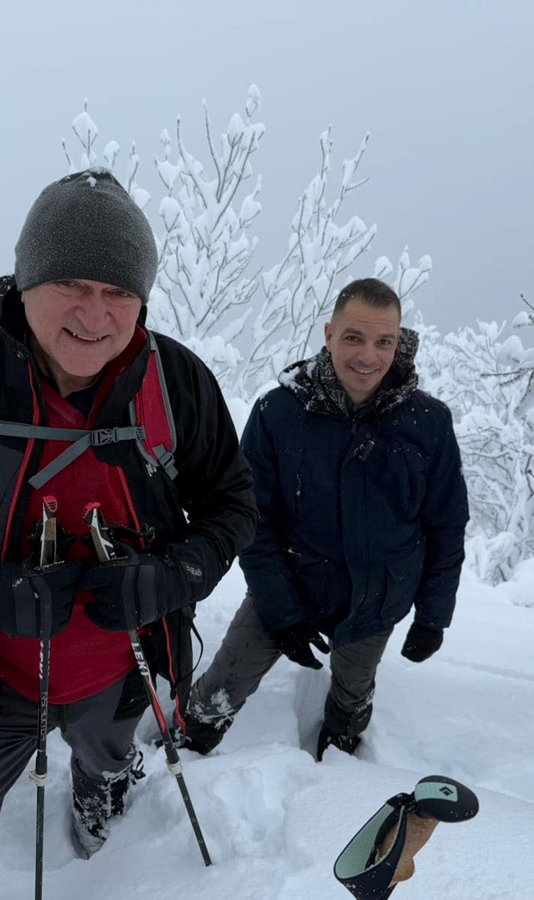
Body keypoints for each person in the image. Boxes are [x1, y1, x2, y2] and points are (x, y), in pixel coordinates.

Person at [0, 169, 256, 900]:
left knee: (104, 754)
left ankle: (99, 781)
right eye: (72, 283)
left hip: (122, 663)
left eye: (118, 293)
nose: (95, 314)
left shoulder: (176, 383)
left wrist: (173, 577)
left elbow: (233, 504)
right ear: (26, 278)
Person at [178, 277, 468, 761]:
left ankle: (340, 751)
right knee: (220, 689)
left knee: (352, 694)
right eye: (354, 338)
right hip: (288, 584)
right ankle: (189, 746)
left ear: (400, 343)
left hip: (376, 599)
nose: (368, 356)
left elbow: (446, 524)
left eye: (384, 342)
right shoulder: (278, 413)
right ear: (329, 334)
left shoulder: (428, 423)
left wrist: (433, 617)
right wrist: (282, 612)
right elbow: (253, 519)